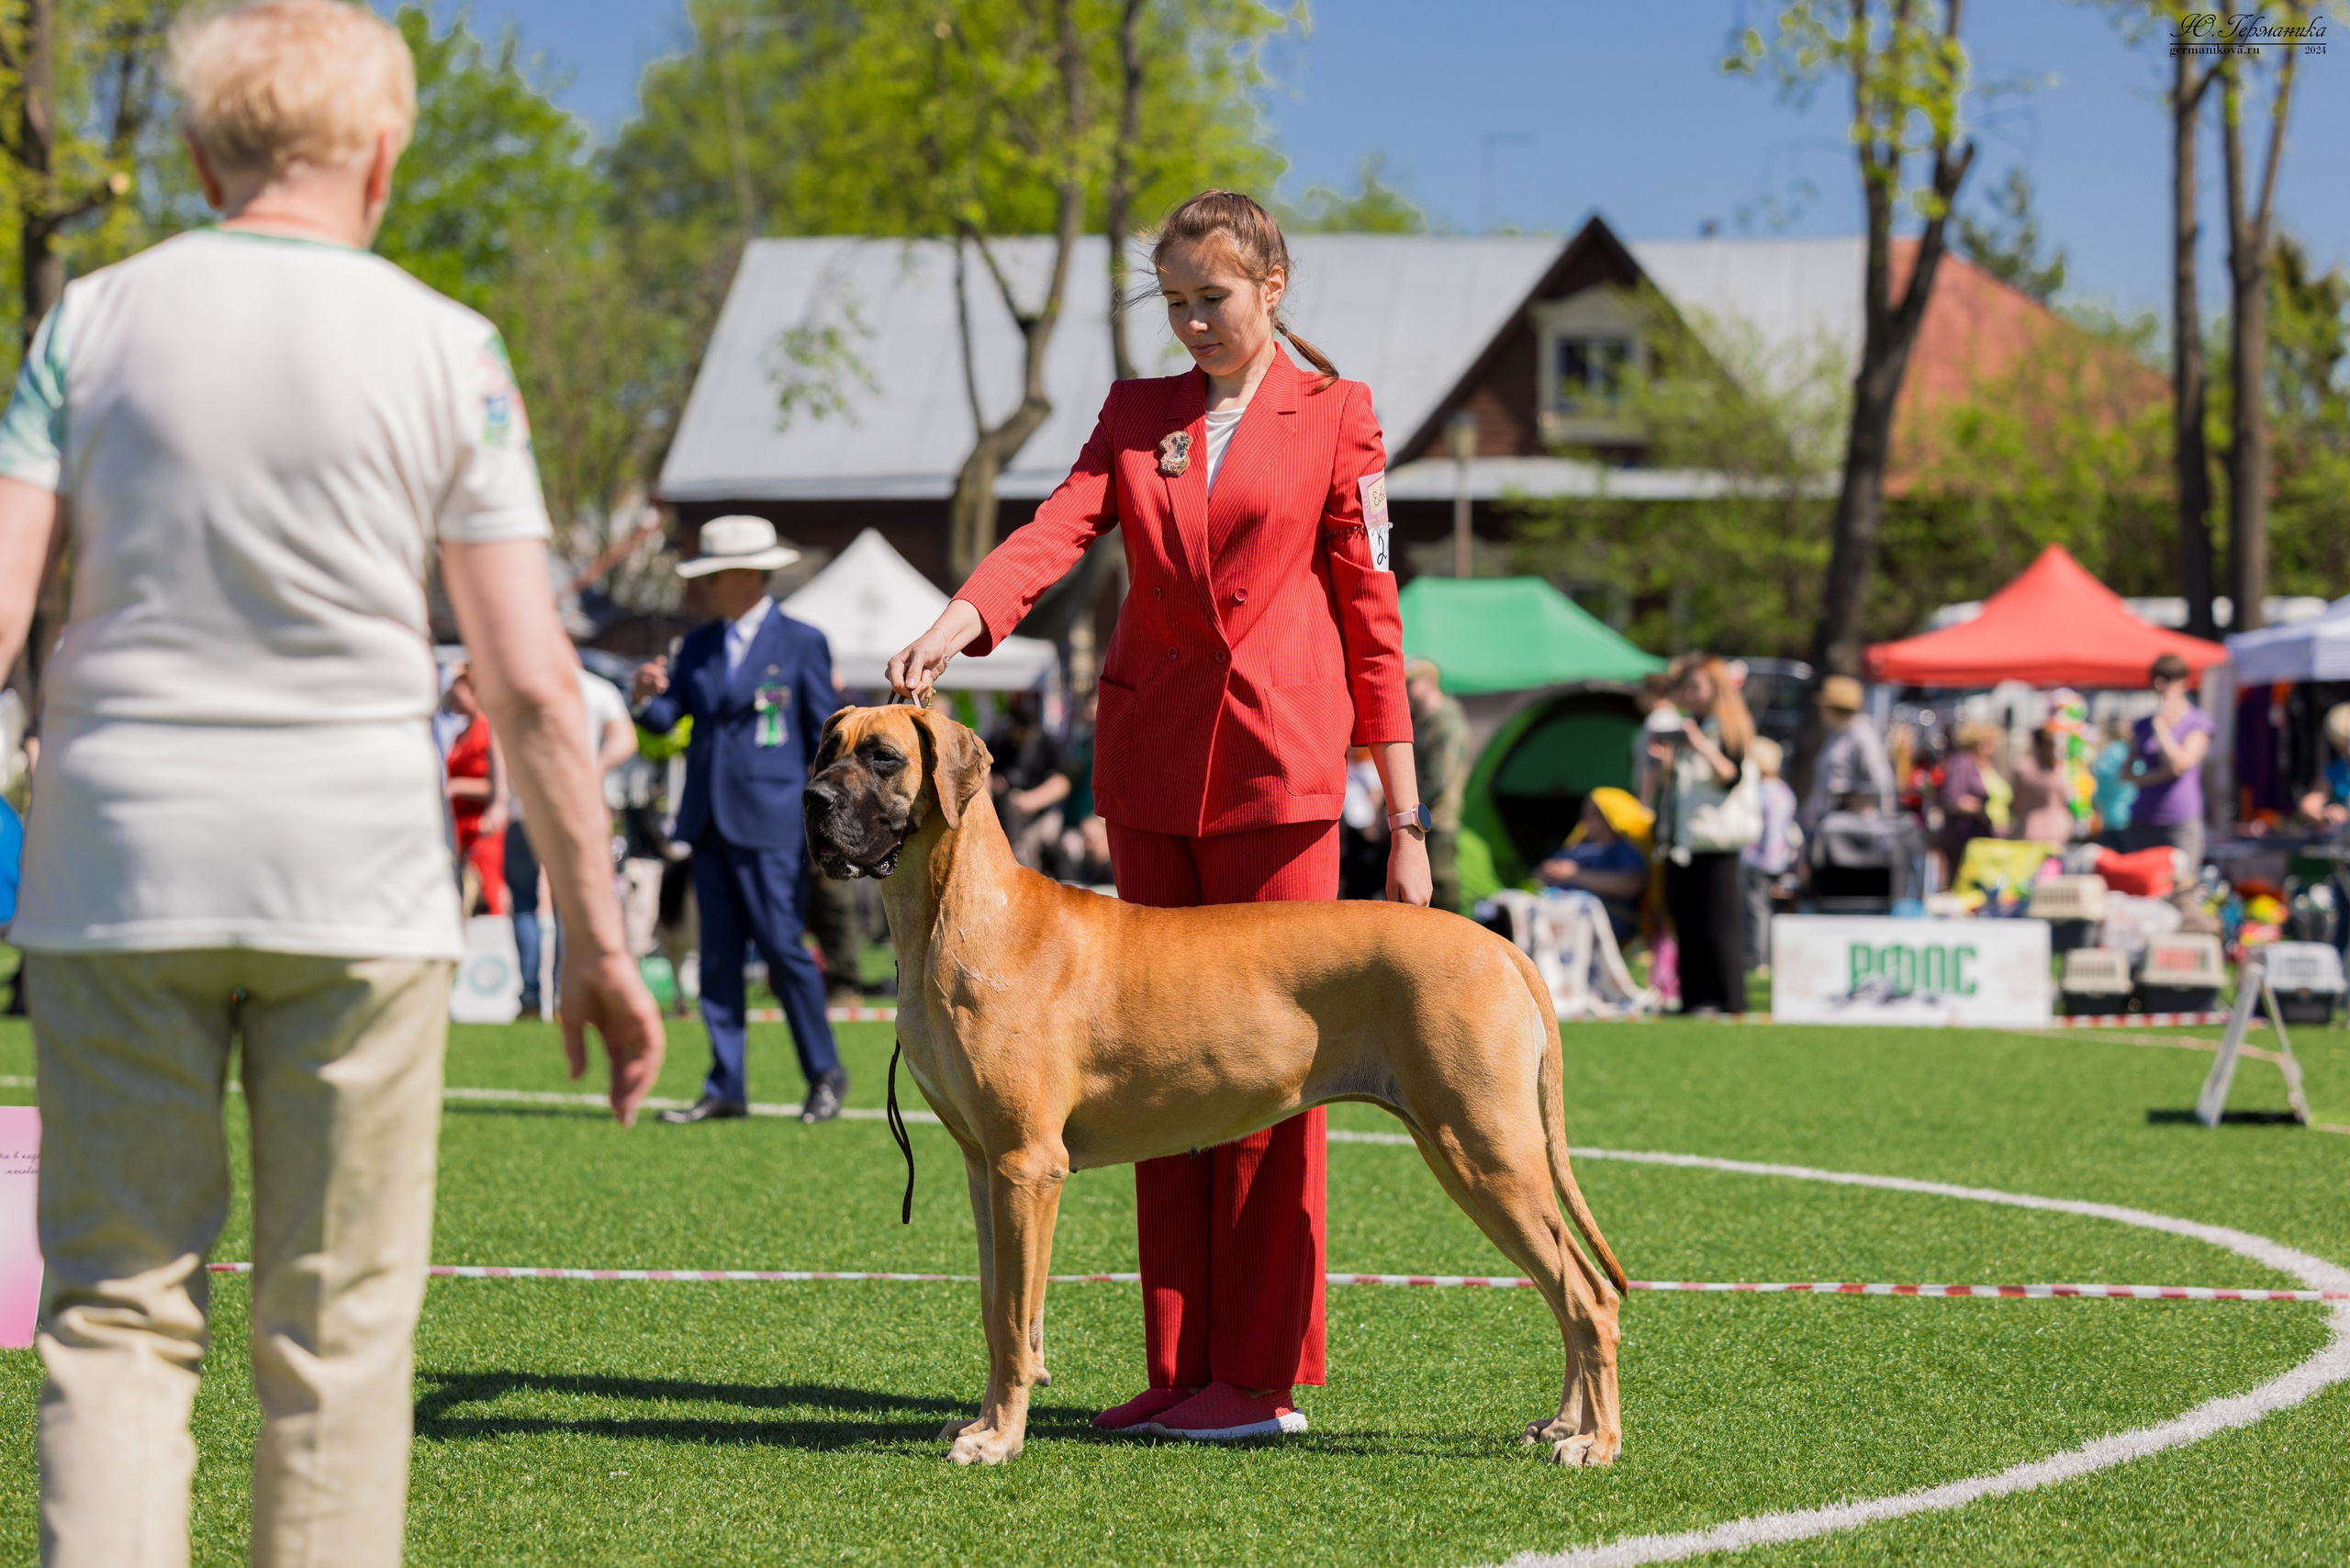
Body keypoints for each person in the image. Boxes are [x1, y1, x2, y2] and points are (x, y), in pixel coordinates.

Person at [0, 7, 666, 1562]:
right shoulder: (449, 346)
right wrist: (600, 943)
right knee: (339, 1332)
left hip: (115, 877)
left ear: (191, 152)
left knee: (113, 1320)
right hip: (358, 886)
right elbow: (532, 686)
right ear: (382, 154)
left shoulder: (83, 326)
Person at [887, 189, 1427, 1444]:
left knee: (1269, 1075)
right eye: (1174, 299)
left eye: (1214, 298)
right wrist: (960, 621)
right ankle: (1180, 1367)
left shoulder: (1338, 418)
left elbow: (1373, 616)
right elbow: (1055, 532)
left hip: (1284, 781)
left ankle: (1260, 1375)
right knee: (1146, 1071)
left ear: (1275, 284)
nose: (1190, 320)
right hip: (1148, 776)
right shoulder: (1137, 417)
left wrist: (1403, 819)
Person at [632, 514, 847, 1125]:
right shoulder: (696, 645)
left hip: (773, 821)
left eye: (713, 576)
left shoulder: (803, 642)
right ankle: (725, 1084)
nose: (703, 588)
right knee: (718, 958)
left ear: (747, 575)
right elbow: (666, 717)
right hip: (707, 822)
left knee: (784, 947)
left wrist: (824, 831)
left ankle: (824, 1075)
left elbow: (823, 742)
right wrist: (644, 695)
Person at [507, 657, 637, 1016]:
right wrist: (595, 769)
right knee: (571, 905)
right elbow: (624, 739)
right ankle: (566, 993)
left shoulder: (522, 688)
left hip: (523, 810)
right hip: (579, 811)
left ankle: (530, 995)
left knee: (524, 904)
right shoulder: (596, 689)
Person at [1651, 654, 1754, 1014]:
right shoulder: (1690, 727)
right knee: (1687, 921)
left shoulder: (1727, 729)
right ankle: (1694, 998)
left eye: (1696, 686)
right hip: (1683, 841)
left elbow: (1731, 775)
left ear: (1716, 688)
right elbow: (1679, 789)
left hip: (1716, 841)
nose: (1689, 694)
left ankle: (1727, 1000)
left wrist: (1700, 745)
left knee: (1718, 925)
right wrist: (1666, 764)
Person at [2126, 652, 2214, 872]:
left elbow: (2180, 764)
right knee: (2140, 887)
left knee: (2181, 886)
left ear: (2183, 682)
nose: (2160, 686)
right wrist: (2158, 776)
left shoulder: (2197, 722)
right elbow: (2125, 773)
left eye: (2166, 679)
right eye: (2156, 679)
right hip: (2143, 818)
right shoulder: (2143, 724)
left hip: (2179, 819)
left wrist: (2162, 731)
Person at [1536, 787, 1651, 948]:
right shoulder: (1577, 848)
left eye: (1593, 813)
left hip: (1602, 927)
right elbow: (1536, 877)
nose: (1584, 819)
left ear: (1609, 818)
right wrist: (1548, 870)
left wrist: (1574, 876)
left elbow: (1631, 884)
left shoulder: (1623, 849)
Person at [1406, 657, 1472, 913]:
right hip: (1416, 817)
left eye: (1411, 682)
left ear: (1429, 683)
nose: (1406, 688)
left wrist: (1403, 810)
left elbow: (1438, 780)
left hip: (1437, 821)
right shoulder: (1419, 721)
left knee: (1440, 892)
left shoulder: (1447, 724)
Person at [442, 667, 509, 913]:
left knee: (487, 896)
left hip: (482, 826)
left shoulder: (487, 732)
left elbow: (496, 785)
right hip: (460, 828)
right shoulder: (460, 733)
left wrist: (456, 787)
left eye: (459, 695)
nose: (453, 700)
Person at [984, 690, 1072, 870]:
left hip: (1041, 813)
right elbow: (984, 772)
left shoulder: (1046, 742)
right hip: (1006, 813)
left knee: (1044, 843)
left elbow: (1063, 782)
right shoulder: (999, 740)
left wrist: (1032, 800)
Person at [1800, 674, 1894, 834]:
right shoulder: (1836, 734)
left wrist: (1885, 827)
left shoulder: (1862, 735)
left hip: (1850, 831)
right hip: (1828, 827)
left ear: (1830, 707)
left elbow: (1882, 783)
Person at [1740, 735, 1799, 971]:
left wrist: (1770, 863)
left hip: (1762, 862)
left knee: (1758, 914)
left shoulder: (1766, 791)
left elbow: (1774, 831)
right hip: (1773, 861)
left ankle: (1759, 959)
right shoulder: (1782, 790)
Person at [2008, 724, 2076, 845]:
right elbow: (2066, 799)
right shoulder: (2057, 769)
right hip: (2056, 830)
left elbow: (2015, 801)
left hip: (2028, 828)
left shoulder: (2021, 767)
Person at [2298, 703, 2350, 828]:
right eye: (2344, 744)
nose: (2348, 750)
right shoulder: (2337, 769)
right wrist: (2325, 814)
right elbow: (2309, 804)